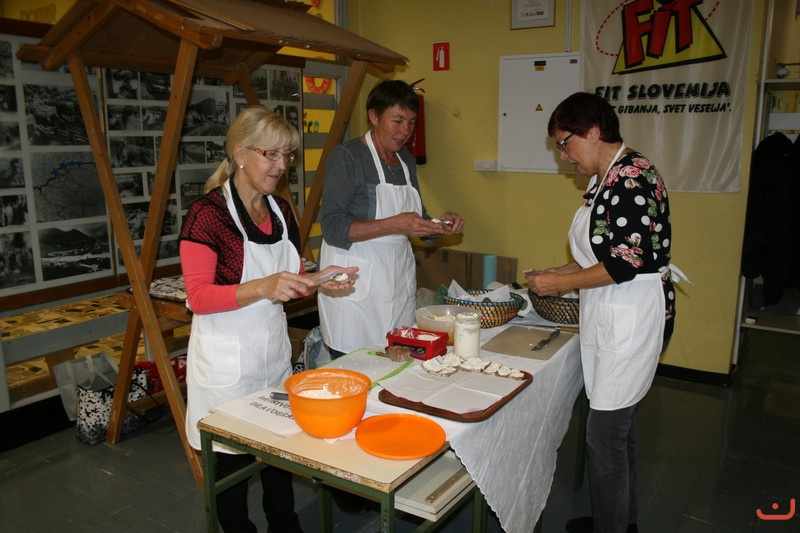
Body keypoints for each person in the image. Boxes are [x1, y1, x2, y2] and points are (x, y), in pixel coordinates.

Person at [179, 105, 356, 533]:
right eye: (270, 154)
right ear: (240, 153)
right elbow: (198, 298)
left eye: (286, 155)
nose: (281, 165)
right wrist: (262, 287)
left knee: (278, 455)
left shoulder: (280, 211)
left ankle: (285, 526)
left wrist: (319, 281)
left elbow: (286, 283)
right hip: (227, 366)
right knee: (231, 471)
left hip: (271, 355)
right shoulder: (208, 215)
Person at [526, 92, 682, 533]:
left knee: (605, 435)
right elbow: (602, 251)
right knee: (620, 427)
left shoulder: (631, 178)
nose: (563, 155)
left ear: (593, 132)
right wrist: (559, 271)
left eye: (565, 143)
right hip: (612, 310)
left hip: (631, 314)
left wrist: (559, 284)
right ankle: (621, 522)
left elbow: (625, 263)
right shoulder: (606, 177)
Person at [317, 79, 464, 357]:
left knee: (396, 363)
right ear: (374, 116)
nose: (405, 131)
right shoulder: (347, 157)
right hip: (355, 287)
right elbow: (332, 227)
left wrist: (438, 226)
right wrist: (394, 224)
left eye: (411, 122)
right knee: (356, 367)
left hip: (396, 283)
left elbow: (416, 218)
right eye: (397, 121)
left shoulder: (406, 159)